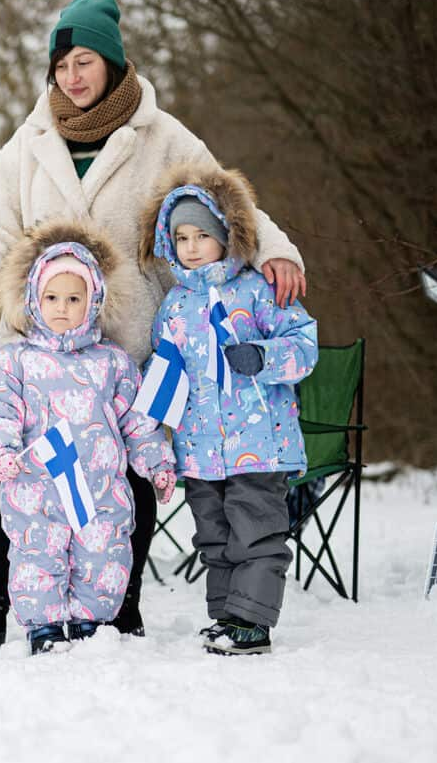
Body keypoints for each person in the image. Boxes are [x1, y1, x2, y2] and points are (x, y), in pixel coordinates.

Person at [0, 0, 307, 643]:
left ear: (112, 63)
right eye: (61, 66)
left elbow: (223, 199)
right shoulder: (28, 142)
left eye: (84, 62)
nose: (72, 77)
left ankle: (118, 603)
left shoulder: (162, 136)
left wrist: (276, 251)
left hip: (126, 339)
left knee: (126, 472)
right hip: (37, 340)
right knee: (10, 472)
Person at [139, 163, 319, 655]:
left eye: (203, 234)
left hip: (259, 444)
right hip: (199, 450)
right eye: (181, 237)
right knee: (214, 538)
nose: (192, 247)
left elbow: (304, 344)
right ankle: (227, 616)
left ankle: (252, 622)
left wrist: (264, 357)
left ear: (227, 234)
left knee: (256, 531)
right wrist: (153, 428)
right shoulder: (173, 307)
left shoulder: (257, 288)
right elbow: (163, 373)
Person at [0, 222, 176, 654]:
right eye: (52, 298)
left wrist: (157, 464)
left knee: (103, 556)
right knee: (37, 558)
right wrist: (1, 452)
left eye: (73, 299)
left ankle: (91, 624)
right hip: (37, 490)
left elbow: (138, 421)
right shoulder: (16, 361)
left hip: (99, 490)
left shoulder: (113, 363)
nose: (62, 308)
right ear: (34, 300)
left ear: (93, 302)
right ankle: (43, 627)